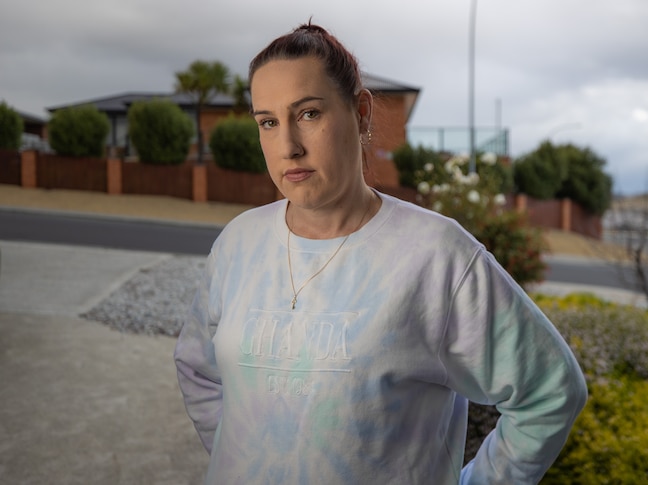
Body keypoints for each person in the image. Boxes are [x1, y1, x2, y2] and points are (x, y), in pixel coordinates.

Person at [174, 22, 588, 485]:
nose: (288, 146)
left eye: (308, 113)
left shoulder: (436, 256)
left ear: (361, 112)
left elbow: (550, 391)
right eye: (268, 122)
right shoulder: (238, 243)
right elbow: (198, 368)